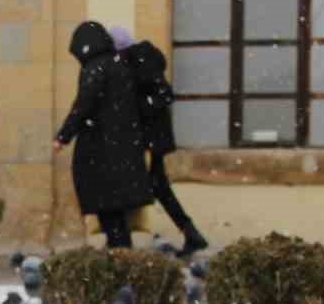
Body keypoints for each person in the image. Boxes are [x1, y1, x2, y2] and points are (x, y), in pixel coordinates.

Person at [108, 26, 208, 260]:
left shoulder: (139, 61)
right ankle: (191, 233)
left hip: (149, 141)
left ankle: (121, 244)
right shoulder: (139, 60)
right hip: (150, 140)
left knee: (130, 188)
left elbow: (164, 94)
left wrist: (137, 110)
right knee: (157, 187)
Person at [53, 21, 153, 249]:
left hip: (102, 155)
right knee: (117, 217)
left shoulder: (96, 68)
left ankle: (120, 266)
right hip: (124, 153)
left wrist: (63, 136)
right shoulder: (121, 66)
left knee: (110, 216)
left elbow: (83, 105)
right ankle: (122, 260)